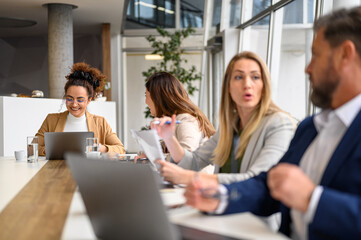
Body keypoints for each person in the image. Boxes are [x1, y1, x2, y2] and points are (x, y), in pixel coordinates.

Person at [184, 6, 361, 240]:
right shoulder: (310, 128)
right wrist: (221, 196)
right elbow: (269, 186)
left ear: (345, 54)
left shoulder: (282, 124)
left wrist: (312, 199)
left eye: (316, 55)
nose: (308, 68)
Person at [152, 51, 296, 185]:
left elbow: (256, 180)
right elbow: (194, 162)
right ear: (228, 86)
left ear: (264, 85)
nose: (247, 84)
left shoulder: (280, 124)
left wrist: (189, 177)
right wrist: (169, 137)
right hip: (222, 206)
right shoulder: (231, 126)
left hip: (253, 212)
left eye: (255, 77)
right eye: (239, 77)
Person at [36, 62, 125, 156]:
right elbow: (32, 147)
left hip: (89, 169)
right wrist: (51, 150)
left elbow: (120, 149)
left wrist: (100, 148)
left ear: (89, 100)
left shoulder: (100, 122)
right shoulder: (51, 120)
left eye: (80, 100)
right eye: (69, 98)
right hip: (58, 169)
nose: (74, 104)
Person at [143, 72, 215, 153]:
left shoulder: (185, 121)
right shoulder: (177, 120)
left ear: (158, 98)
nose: (146, 102)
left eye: (146, 96)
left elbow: (186, 156)